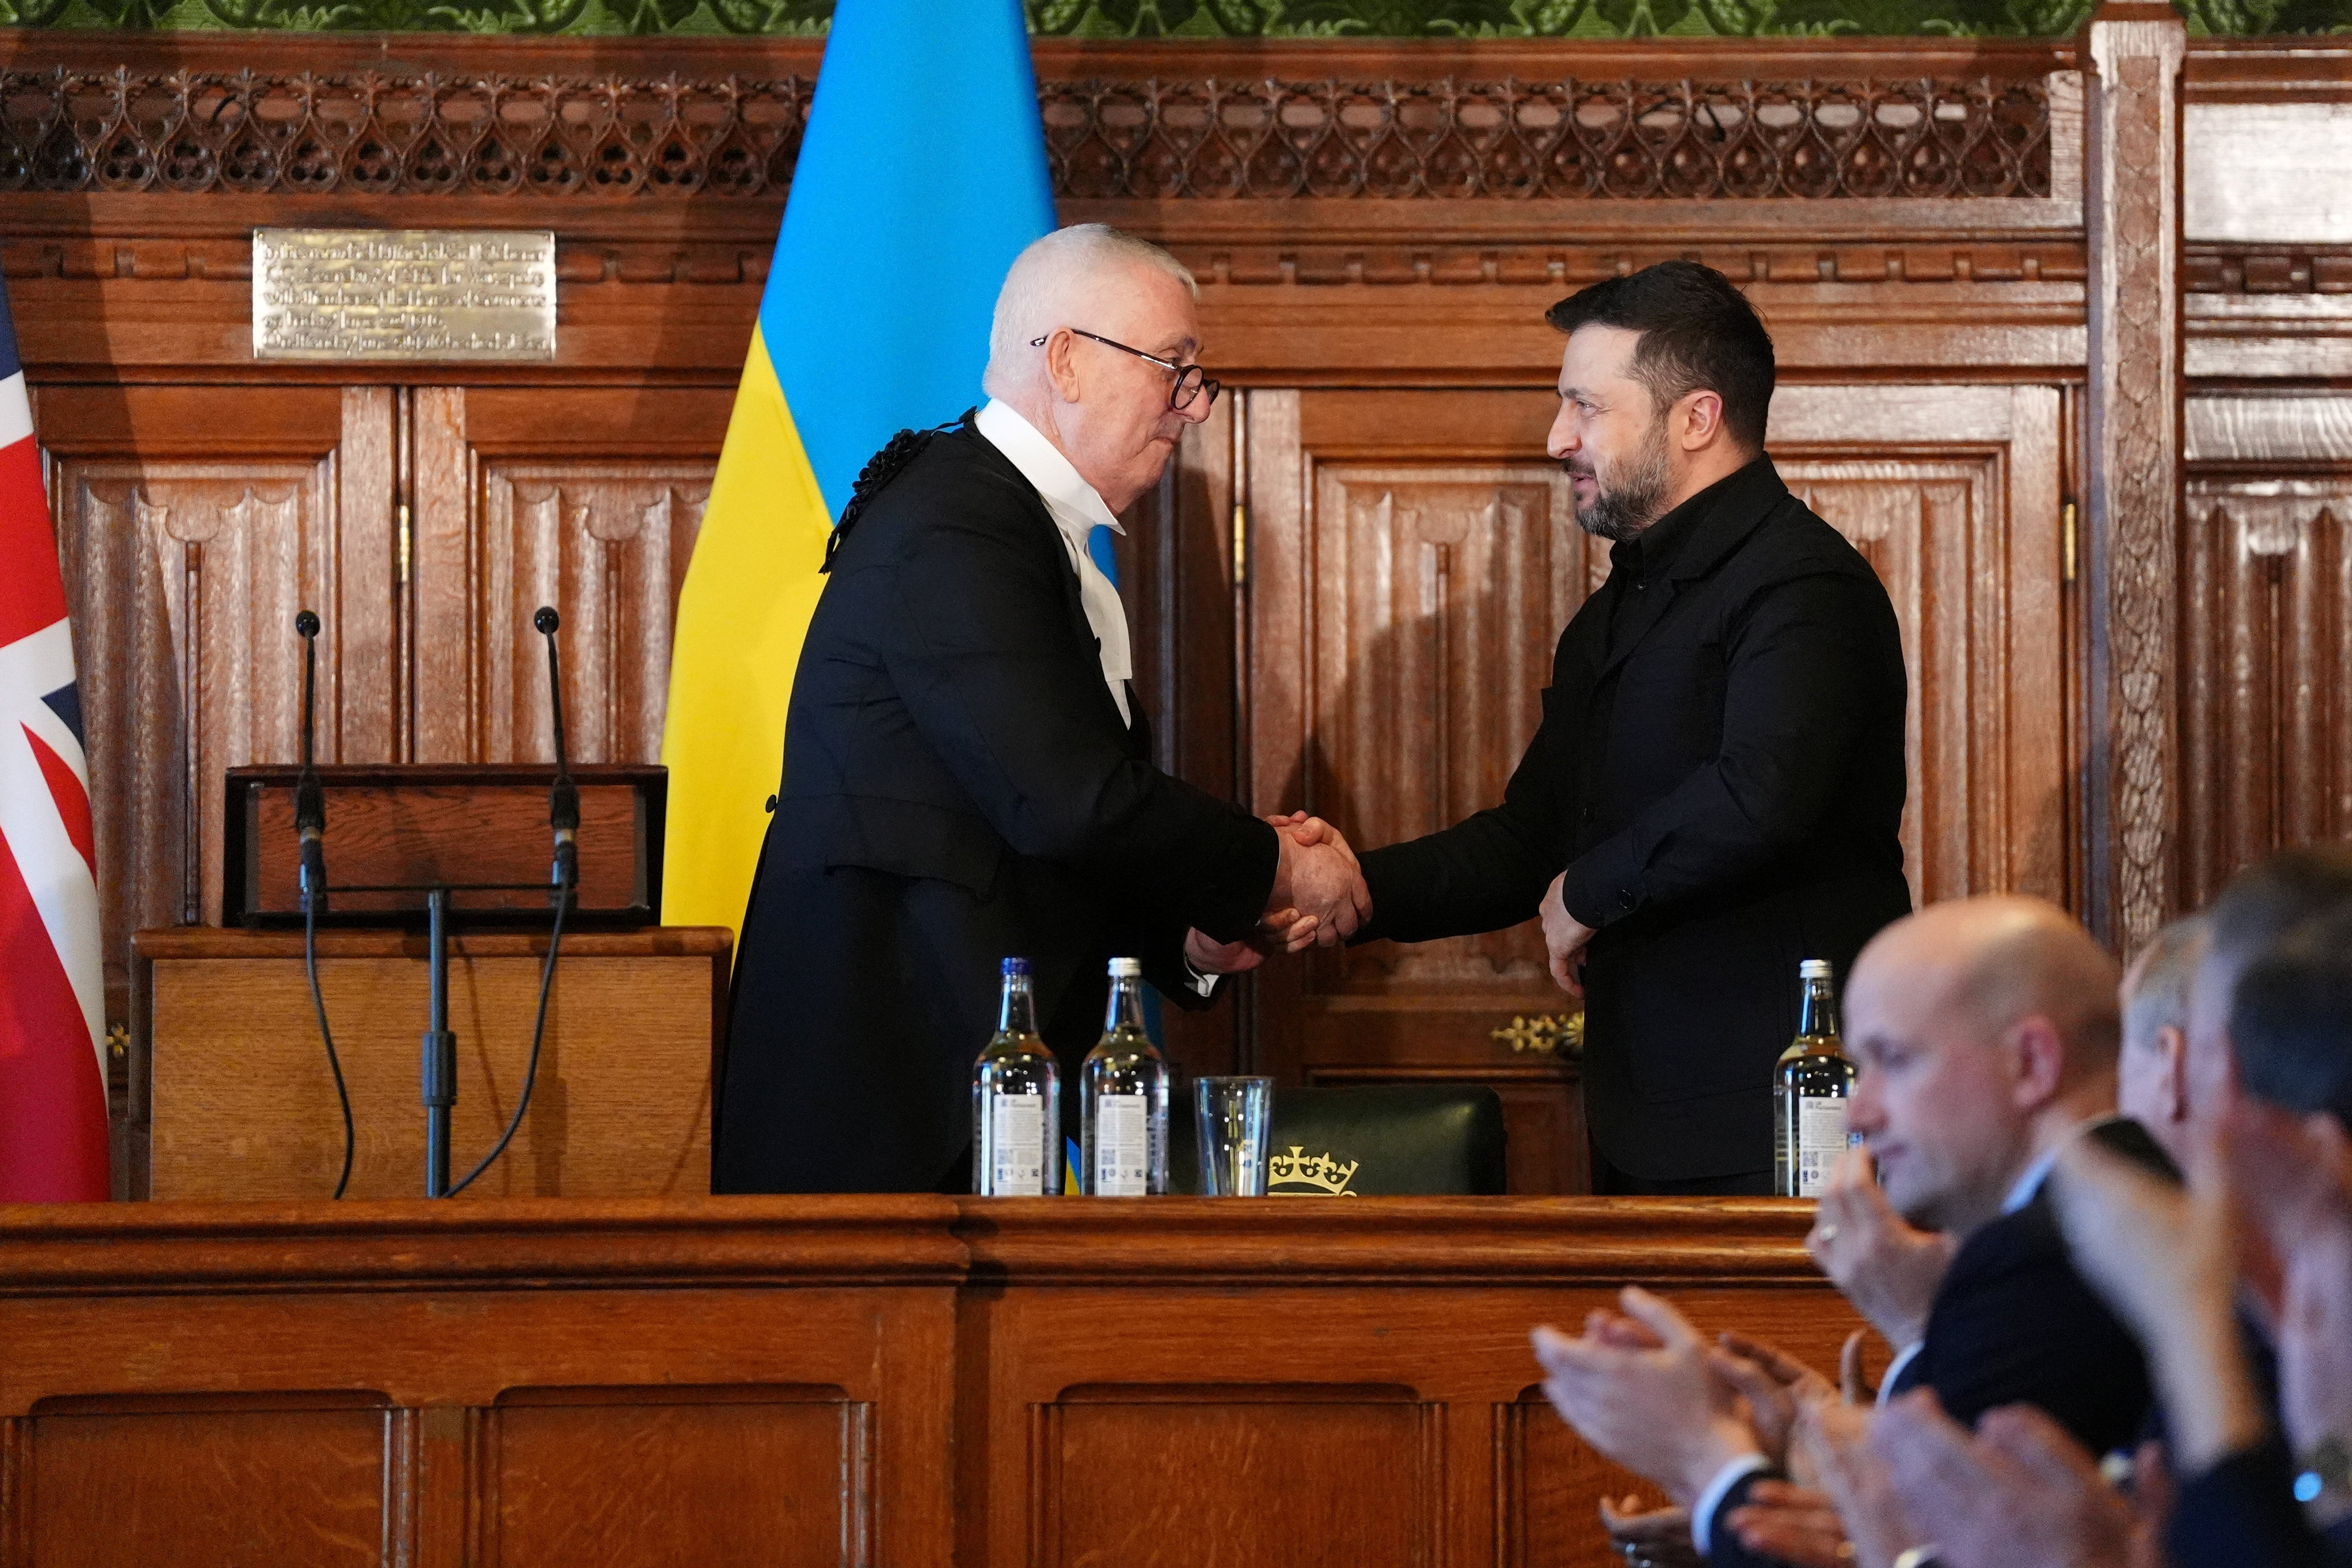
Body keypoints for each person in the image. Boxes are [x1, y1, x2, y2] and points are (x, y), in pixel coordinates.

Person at [715, 225, 1368, 1194]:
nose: (1191, 407)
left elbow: (1023, 831)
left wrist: (1182, 937)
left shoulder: (1012, 520)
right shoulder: (958, 524)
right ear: (1064, 358)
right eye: (1173, 370)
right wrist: (1277, 865)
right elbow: (1067, 799)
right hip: (879, 1118)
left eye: (1196, 378)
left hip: (961, 1096)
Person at [1331, 259, 1911, 1195]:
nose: (1558, 437)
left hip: (1782, 1132)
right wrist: (1349, 892)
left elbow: (1763, 792)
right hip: (1645, 1125)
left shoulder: (1805, 586)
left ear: (1695, 419)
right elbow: (1534, 837)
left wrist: (1587, 891)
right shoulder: (1612, 614)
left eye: (1586, 407)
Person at [1529, 895, 2164, 1567]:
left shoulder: (2040, 1252)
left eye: (1894, 1060)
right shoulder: (2107, 1205)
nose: (1859, 1113)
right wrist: (1827, 1446)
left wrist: (1707, 1462)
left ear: (2031, 1062)